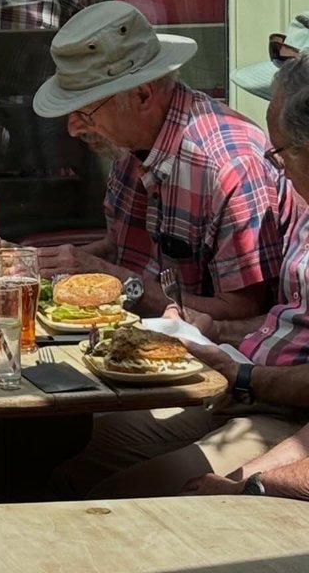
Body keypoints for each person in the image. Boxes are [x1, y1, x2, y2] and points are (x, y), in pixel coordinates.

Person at [55, 50, 309, 499]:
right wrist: (217, 332)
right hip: (243, 382)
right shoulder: (136, 152)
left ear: (143, 95)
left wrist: (251, 482)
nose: (277, 167)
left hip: (273, 402)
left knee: (119, 498)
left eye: (281, 150)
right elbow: (285, 319)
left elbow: (252, 303)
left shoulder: (230, 161)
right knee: (61, 449)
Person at [32, 1, 297, 321]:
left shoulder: (230, 166)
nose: (73, 128)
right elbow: (121, 248)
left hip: (205, 349)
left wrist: (117, 281)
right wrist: (42, 265)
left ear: (143, 96)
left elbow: (243, 311)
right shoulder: (130, 141)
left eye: (85, 112)